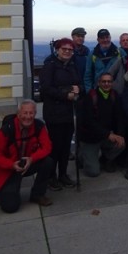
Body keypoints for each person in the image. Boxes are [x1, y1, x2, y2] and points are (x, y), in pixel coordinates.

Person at [0, 99, 54, 212]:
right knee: (10, 207)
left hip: (26, 164)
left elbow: (47, 147)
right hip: (8, 168)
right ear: (18, 114)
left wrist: (32, 159)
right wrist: (11, 165)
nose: (28, 117)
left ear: (35, 114)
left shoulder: (39, 126)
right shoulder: (7, 129)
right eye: (25, 113)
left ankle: (37, 195)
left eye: (31, 113)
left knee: (48, 162)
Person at [39, 37, 80, 190]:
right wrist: (66, 95)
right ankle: (51, 176)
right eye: (64, 49)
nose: (68, 52)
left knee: (65, 146)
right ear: (57, 50)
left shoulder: (72, 65)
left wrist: (78, 89)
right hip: (54, 112)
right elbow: (46, 89)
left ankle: (62, 174)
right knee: (55, 146)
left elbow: (78, 82)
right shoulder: (49, 66)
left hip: (69, 112)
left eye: (70, 49)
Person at [77, 72, 126, 177]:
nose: (106, 84)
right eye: (104, 81)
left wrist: (120, 135)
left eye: (109, 81)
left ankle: (105, 159)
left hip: (105, 136)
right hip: (90, 138)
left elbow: (119, 117)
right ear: (98, 83)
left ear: (112, 83)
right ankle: (81, 155)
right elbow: (89, 122)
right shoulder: (90, 97)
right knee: (93, 172)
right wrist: (108, 135)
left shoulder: (114, 95)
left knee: (121, 143)